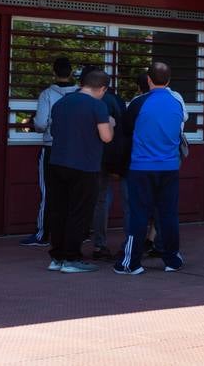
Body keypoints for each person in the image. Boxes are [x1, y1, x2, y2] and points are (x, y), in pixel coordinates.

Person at [116, 62, 186, 275]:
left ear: (148, 79)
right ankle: (172, 259)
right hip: (170, 166)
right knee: (168, 214)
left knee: (139, 214)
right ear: (169, 80)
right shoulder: (177, 103)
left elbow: (125, 130)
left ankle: (131, 262)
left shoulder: (138, 103)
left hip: (142, 165)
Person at [46, 69, 114, 273]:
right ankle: (71, 258)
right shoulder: (98, 105)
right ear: (102, 88)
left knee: (59, 211)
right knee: (79, 212)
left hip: (57, 162)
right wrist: (110, 123)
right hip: (85, 165)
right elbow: (106, 137)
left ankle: (56, 257)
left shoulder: (61, 103)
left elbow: (53, 130)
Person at [23, 56, 77, 246]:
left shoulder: (47, 94)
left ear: (53, 72)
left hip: (51, 148)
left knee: (49, 192)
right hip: (76, 149)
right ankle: (77, 233)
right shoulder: (80, 94)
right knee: (74, 192)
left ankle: (43, 234)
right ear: (71, 72)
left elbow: (39, 124)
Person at [84, 66, 127, 261]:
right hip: (112, 155)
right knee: (107, 199)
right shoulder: (116, 100)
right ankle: (123, 244)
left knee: (97, 199)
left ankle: (98, 242)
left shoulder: (85, 101)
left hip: (92, 155)